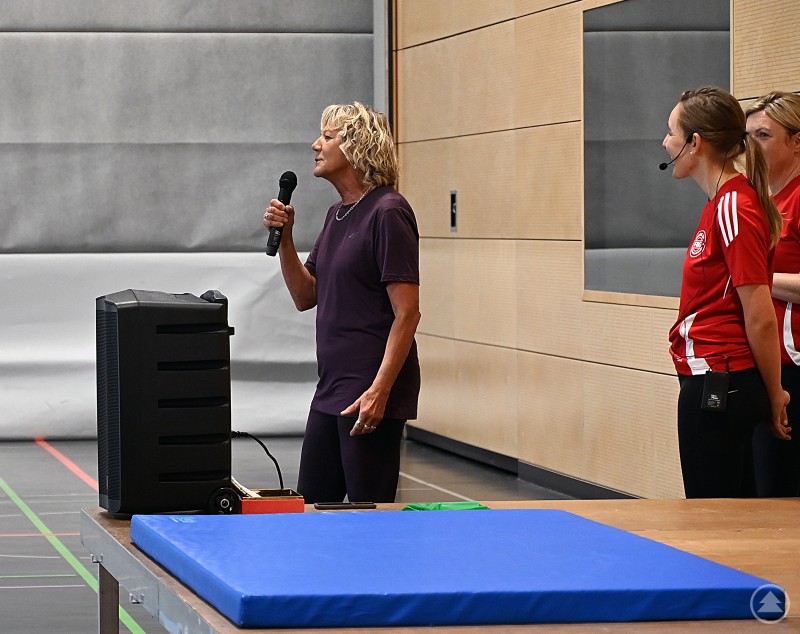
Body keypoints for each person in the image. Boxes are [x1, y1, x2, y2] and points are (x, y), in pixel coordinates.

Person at [262, 102, 421, 503]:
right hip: (331, 387)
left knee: (368, 515)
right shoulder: (337, 214)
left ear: (356, 147)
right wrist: (286, 238)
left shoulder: (388, 211)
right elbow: (305, 296)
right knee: (313, 506)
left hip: (369, 389)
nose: (316, 145)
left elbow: (407, 312)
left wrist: (380, 391)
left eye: (328, 137)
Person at [662, 86, 791, 498]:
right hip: (713, 377)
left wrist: (775, 394)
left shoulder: (734, 205)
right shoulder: (721, 202)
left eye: (671, 132)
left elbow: (760, 314)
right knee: (730, 512)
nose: (665, 142)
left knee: (710, 514)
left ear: (694, 143)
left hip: (720, 378)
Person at [746, 91, 800, 496]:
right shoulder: (760, 202)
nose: (752, 146)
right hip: (763, 364)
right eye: (747, 136)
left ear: (796, 142)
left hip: (793, 364)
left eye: (763, 135)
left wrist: (756, 279)